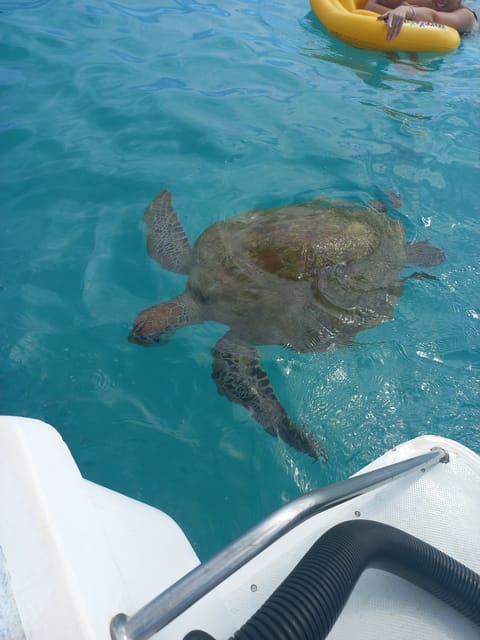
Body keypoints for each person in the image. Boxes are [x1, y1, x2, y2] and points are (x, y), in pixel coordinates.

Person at [365, 0, 478, 40]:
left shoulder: (466, 16)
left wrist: (407, 10)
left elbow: (435, 17)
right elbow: (370, 6)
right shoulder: (428, 2)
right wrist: (396, 12)